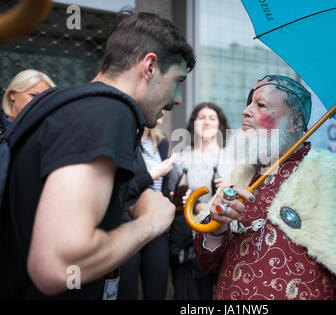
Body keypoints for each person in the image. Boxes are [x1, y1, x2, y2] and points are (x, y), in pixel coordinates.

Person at [0, 9, 195, 299]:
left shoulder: (66, 102)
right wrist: (149, 223)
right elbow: (56, 265)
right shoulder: (108, 111)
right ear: (150, 66)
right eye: (177, 80)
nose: (178, 98)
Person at [193, 75, 336, 300]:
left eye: (261, 104)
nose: (246, 111)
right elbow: (208, 263)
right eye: (249, 102)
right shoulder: (241, 175)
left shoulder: (335, 179)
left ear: (295, 121)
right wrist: (217, 229)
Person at [168, 102, 233, 299]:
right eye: (201, 117)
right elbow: (172, 196)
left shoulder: (232, 158)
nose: (206, 122)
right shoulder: (179, 158)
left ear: (220, 125)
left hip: (223, 238)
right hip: (188, 239)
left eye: (212, 118)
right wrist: (196, 205)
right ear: (193, 123)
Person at [118, 120, 174, 300]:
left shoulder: (162, 143)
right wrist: (152, 175)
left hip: (157, 228)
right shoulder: (124, 141)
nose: (167, 106)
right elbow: (120, 189)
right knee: (126, 292)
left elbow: (163, 187)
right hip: (128, 224)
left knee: (157, 291)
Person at [1, 69, 55, 135]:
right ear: (12, 94)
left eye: (45, 98)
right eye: (33, 95)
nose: (39, 101)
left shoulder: (49, 135)